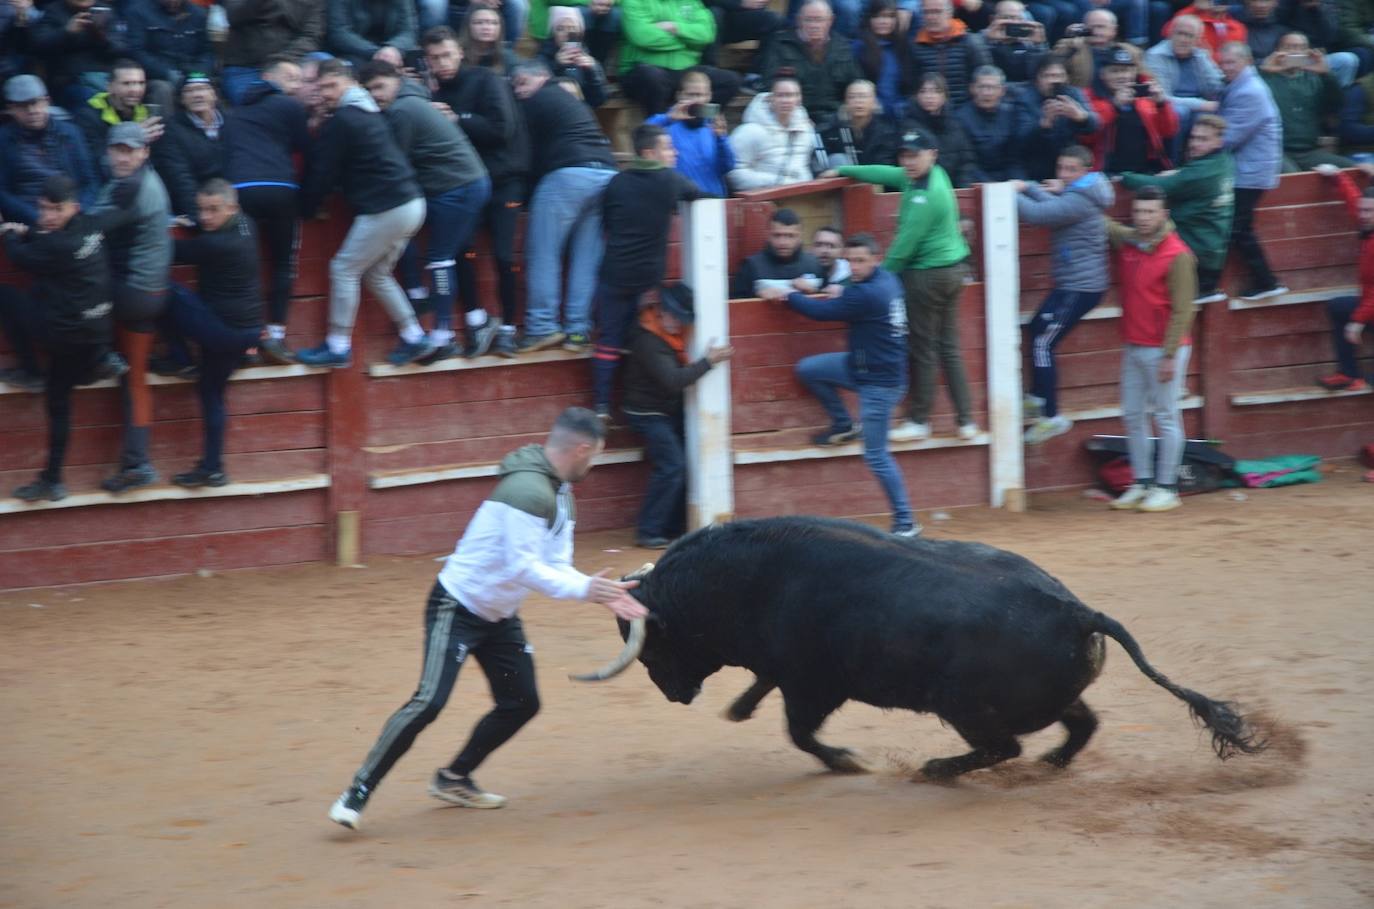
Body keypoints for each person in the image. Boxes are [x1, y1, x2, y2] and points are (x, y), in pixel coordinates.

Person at [327, 407, 648, 831]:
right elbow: (523, 568)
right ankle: (358, 791)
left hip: (499, 616)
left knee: (521, 702)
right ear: (582, 449)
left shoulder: (561, 494)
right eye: (596, 455)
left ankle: (453, 778)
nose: (595, 463)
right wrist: (584, 589)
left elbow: (555, 563)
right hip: (457, 607)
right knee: (429, 702)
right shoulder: (527, 492)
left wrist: (595, 591)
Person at [758, 233, 920, 536]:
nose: (854, 267)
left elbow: (819, 312)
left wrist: (786, 294)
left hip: (879, 385)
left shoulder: (865, 295)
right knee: (809, 369)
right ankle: (844, 424)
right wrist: (838, 288)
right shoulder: (887, 280)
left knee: (876, 455)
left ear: (875, 259)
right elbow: (849, 294)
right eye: (851, 261)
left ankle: (906, 522)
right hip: (865, 367)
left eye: (861, 261)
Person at [836, 129, 977, 442]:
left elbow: (902, 249)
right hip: (953, 271)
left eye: (915, 155)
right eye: (905, 155)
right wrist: (846, 169)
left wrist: (869, 280)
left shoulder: (925, 197)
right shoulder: (932, 175)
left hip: (926, 277)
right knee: (949, 348)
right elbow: (889, 174)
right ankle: (966, 420)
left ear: (932, 154)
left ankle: (919, 420)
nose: (908, 162)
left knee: (923, 348)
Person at [295, 58, 433, 368]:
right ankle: (414, 336)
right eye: (321, 88)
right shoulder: (369, 110)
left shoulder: (343, 119)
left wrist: (305, 207)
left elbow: (322, 172)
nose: (326, 93)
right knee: (376, 273)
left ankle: (338, 345)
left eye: (332, 85)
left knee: (343, 269)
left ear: (350, 83)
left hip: (388, 207)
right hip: (412, 203)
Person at [0, 175, 125, 502]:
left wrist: (9, 233)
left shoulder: (57, 244)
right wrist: (33, 230)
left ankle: (29, 369)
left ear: (73, 207)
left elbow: (20, 258)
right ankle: (99, 360)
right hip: (96, 330)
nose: (47, 216)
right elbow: (44, 240)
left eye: (55, 210)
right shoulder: (91, 225)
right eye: (43, 208)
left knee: (6, 297)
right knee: (49, 289)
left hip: (65, 335)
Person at [360, 61, 494, 364]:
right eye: (369, 90)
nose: (376, 94)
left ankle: (442, 335)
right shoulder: (413, 102)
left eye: (380, 86)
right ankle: (426, 303)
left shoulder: (402, 111)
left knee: (440, 258)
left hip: (457, 187)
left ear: (396, 80)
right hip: (457, 185)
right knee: (414, 237)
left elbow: (394, 165)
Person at [426, 26, 530, 358]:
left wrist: (458, 119)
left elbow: (502, 129)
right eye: (434, 58)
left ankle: (510, 330)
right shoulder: (433, 96)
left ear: (459, 51)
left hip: (504, 181)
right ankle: (476, 321)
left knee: (503, 256)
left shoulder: (486, 80)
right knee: (459, 251)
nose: (442, 62)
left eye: (446, 54)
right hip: (467, 185)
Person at [593, 124, 706, 418]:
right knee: (645, 339)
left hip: (614, 275)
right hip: (647, 282)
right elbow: (698, 194)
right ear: (649, 153)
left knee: (609, 339)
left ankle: (602, 404)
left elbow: (606, 223)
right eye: (668, 148)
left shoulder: (617, 182)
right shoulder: (670, 180)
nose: (674, 152)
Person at [87, 121, 172, 493]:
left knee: (71, 290)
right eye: (117, 150)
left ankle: (99, 352)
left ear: (144, 152)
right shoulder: (143, 179)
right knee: (134, 378)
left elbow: (91, 227)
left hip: (133, 295)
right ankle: (137, 463)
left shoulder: (132, 187)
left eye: (129, 150)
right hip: (148, 294)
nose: (122, 157)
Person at [161, 180, 263, 488]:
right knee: (210, 393)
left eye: (213, 210)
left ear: (231, 208)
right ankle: (213, 468)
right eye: (201, 210)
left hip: (223, 330)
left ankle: (179, 359)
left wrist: (164, 224)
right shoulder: (247, 224)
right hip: (246, 330)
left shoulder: (216, 244)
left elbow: (170, 251)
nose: (205, 217)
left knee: (162, 293)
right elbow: (205, 230)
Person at [515, 59, 619, 354]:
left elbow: (519, 150)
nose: (519, 91)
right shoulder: (570, 104)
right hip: (606, 174)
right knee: (587, 258)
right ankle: (577, 331)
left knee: (544, 252)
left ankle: (542, 326)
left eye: (522, 83)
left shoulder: (539, 98)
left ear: (543, 77)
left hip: (569, 175)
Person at [1104, 185, 1198, 513]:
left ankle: (1167, 486)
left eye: (1149, 212)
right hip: (1134, 344)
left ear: (1164, 215)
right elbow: (1105, 225)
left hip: (1162, 349)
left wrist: (1170, 354)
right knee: (1132, 414)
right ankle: (1142, 482)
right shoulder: (1132, 242)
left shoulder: (1178, 255)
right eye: (1139, 212)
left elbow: (1184, 309)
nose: (1143, 218)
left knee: (1166, 416)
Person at [1013, 145, 1114, 445]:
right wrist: (1028, 186)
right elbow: (1051, 204)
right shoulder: (1084, 193)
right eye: (1062, 169)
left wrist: (1009, 192)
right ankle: (1037, 397)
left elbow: (1039, 214)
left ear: (1085, 171)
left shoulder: (1079, 200)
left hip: (1080, 286)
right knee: (1035, 330)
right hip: (1075, 284)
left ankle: (1051, 415)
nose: (1064, 175)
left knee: (1043, 342)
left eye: (1071, 170)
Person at [622, 287, 733, 548]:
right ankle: (649, 531)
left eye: (680, 317)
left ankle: (671, 525)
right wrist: (708, 362)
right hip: (647, 413)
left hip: (663, 410)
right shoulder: (648, 341)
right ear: (660, 312)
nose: (676, 322)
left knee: (680, 462)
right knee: (672, 465)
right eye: (672, 316)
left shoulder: (662, 333)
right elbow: (673, 381)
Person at [223, 55, 311, 365]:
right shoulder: (289, 107)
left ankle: (247, 341)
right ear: (269, 77)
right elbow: (307, 148)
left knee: (245, 266)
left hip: (239, 192)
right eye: (291, 78)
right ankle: (274, 335)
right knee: (282, 263)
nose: (297, 85)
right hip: (278, 190)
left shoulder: (234, 112)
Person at [1119, 113, 1236, 303]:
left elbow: (1164, 187)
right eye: (1194, 137)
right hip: (1210, 255)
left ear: (1218, 142)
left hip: (1194, 257)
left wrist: (1124, 177)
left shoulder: (1202, 172)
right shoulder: (1224, 161)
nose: (1195, 143)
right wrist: (1181, 173)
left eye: (1203, 139)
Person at [1217, 41, 1288, 301]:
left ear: (1246, 61)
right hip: (1250, 169)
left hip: (1250, 172)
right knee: (1238, 228)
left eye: (1230, 63)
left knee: (1237, 229)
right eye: (1222, 63)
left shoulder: (1249, 91)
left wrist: (1199, 149)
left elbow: (1230, 136)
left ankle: (1266, 281)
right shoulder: (1244, 85)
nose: (1225, 68)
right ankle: (1266, 281)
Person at [0, 75, 100, 229]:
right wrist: (36, 217)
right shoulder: (4, 140)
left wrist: (77, 211)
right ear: (11, 108)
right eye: (23, 106)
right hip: (30, 221)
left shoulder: (70, 133)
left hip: (72, 217)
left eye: (36, 103)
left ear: (47, 101)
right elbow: (3, 192)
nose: (32, 110)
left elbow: (90, 181)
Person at [1312, 162, 1374, 392]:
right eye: (1363, 210)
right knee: (1338, 307)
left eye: (1368, 212)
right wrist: (1339, 177)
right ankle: (1348, 374)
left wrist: (1357, 322)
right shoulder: (1368, 226)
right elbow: (1354, 203)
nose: (1363, 215)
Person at [619, 0, 741, 116]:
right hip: (643, 70)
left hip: (685, 71)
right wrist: (686, 42)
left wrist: (675, 28)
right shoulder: (633, 1)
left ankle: (698, 121)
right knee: (651, 77)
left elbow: (707, 34)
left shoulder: (691, 2)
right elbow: (643, 37)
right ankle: (659, 128)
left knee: (730, 81)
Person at [1259, 32, 1352, 171]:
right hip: (1278, 151)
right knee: (1293, 176)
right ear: (1278, 51)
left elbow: (1337, 104)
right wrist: (1265, 72)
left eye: (1301, 48)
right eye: (1289, 47)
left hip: (1310, 151)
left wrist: (1326, 74)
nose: (1295, 52)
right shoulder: (1267, 79)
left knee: (1351, 170)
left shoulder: (1315, 79)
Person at [759, 0, 863, 120]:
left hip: (834, 116)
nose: (814, 25)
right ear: (799, 20)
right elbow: (769, 85)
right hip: (792, 116)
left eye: (819, 20)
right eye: (809, 19)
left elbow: (856, 82)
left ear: (831, 21)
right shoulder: (780, 44)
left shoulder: (843, 46)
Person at [1084, 45, 1178, 174]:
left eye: (1126, 71)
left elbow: (1169, 131)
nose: (1122, 76)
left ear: (1134, 72)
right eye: (1115, 71)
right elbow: (1087, 137)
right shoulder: (1089, 97)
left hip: (1146, 170)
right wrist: (1114, 106)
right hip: (1106, 173)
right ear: (1102, 74)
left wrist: (1162, 105)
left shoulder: (1145, 97)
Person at [645, 67, 737, 197]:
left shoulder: (714, 127)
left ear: (709, 96)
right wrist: (668, 118)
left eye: (700, 95)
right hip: (679, 203)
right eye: (691, 95)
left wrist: (721, 139)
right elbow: (642, 134)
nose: (696, 100)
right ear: (680, 95)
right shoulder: (666, 124)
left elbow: (728, 166)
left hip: (713, 201)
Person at [1144, 14, 1224, 156]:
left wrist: (1203, 58)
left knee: (1212, 114)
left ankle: (1204, 164)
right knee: (1181, 112)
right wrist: (1199, 104)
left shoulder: (1199, 55)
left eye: (1189, 36)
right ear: (1170, 33)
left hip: (1198, 108)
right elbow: (1161, 97)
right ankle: (1172, 162)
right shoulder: (1155, 55)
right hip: (1167, 107)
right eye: (1180, 33)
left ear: (1198, 39)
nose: (1183, 40)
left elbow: (1218, 85)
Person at [151, 74, 227, 222]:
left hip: (232, 205)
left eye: (202, 89)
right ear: (182, 99)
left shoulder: (232, 123)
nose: (197, 94)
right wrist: (202, 216)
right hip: (201, 211)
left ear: (214, 95)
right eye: (189, 91)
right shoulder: (170, 132)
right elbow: (181, 179)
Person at [221, 0, 326, 105]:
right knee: (260, 109)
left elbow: (312, 35)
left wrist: (283, 60)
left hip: (294, 60)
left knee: (328, 66)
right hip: (247, 66)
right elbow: (233, 14)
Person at [1014, 55, 1100, 181]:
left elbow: (1095, 124)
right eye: (1048, 76)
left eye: (1059, 76)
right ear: (1038, 79)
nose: (1054, 81)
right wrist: (1044, 125)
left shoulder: (1073, 93)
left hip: (1067, 164)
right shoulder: (1024, 99)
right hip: (1035, 166)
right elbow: (1020, 141)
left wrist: (1081, 117)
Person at [28, 0, 126, 108]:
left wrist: (100, 35)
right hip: (71, 80)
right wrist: (67, 32)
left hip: (105, 76)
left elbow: (121, 49)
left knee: (128, 93)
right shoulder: (53, 10)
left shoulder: (105, 10)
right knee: (94, 100)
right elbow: (39, 45)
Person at [727, 77, 819, 190]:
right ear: (770, 98)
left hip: (806, 198)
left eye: (791, 95)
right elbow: (734, 174)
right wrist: (779, 183)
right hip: (763, 199)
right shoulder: (749, 131)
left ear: (799, 99)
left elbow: (805, 166)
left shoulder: (806, 128)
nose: (786, 100)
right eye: (780, 95)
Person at [122, 0, 214, 112]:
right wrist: (167, 73)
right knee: (163, 89)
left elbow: (207, 51)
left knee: (206, 88)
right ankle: (168, 127)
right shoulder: (138, 12)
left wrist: (198, 75)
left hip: (192, 71)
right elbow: (136, 51)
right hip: (156, 76)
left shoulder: (198, 13)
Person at [76, 60, 164, 175]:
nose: (135, 90)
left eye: (140, 83)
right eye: (127, 83)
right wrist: (135, 135)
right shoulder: (88, 116)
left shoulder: (146, 114)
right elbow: (98, 162)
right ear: (109, 87)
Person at [910, 0, 991, 107]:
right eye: (926, 12)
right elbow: (911, 86)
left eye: (937, 12)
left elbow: (986, 77)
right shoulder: (916, 46)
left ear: (950, 13)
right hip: (929, 112)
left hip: (964, 110)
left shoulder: (970, 42)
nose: (931, 17)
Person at [904, 72, 976, 186]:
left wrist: (961, 190)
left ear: (944, 97)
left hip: (955, 191)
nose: (929, 96)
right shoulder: (907, 127)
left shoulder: (956, 125)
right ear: (917, 95)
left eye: (936, 91)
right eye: (923, 91)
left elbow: (966, 163)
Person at [731, 207, 823, 297]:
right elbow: (734, 306)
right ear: (768, 235)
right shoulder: (751, 266)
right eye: (777, 235)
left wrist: (814, 291)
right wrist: (757, 296)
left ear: (800, 237)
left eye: (790, 236)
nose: (783, 242)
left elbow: (830, 303)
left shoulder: (815, 264)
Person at [954, 65, 1024, 182]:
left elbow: (1015, 159)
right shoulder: (960, 118)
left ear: (1002, 91)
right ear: (972, 89)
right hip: (976, 180)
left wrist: (1016, 182)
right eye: (982, 87)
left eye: (992, 87)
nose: (987, 93)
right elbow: (967, 163)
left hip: (1007, 179)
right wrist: (991, 186)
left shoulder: (1011, 114)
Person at [852, 0, 915, 123]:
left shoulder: (904, 46)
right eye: (877, 16)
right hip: (870, 115)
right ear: (869, 19)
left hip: (902, 115)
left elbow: (911, 85)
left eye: (889, 17)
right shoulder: (859, 47)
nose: (883, 21)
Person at [817, 79, 899, 167]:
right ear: (846, 102)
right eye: (852, 97)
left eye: (863, 96)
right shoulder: (831, 128)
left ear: (874, 102)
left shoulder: (886, 132)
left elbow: (884, 166)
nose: (858, 101)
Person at [540, 7, 609, 107]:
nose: (567, 34)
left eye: (572, 28)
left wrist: (591, 71)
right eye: (560, 29)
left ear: (580, 33)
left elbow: (599, 100)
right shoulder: (543, 57)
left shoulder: (588, 59)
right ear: (553, 33)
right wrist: (556, 65)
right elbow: (539, 94)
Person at [325, 0, 417, 67]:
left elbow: (408, 30)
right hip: (355, 50)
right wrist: (376, 52)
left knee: (414, 61)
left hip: (391, 49)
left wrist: (393, 48)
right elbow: (339, 32)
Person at [982, 0, 1048, 84]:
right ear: (992, 19)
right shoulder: (981, 39)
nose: (1013, 23)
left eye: (1018, 18)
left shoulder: (1030, 41)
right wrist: (987, 41)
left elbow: (1038, 74)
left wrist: (1039, 46)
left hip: (1024, 89)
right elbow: (981, 68)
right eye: (1006, 18)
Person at [1165, 0, 1248, 62]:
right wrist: (1194, 7)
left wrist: (1211, 56)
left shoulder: (1237, 27)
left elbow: (1234, 60)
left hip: (1226, 75)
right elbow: (1168, 33)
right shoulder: (1192, 20)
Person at [460, 6, 520, 74]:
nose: (486, 28)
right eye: (479, 22)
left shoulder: (508, 56)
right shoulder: (458, 55)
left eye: (493, 23)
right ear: (468, 27)